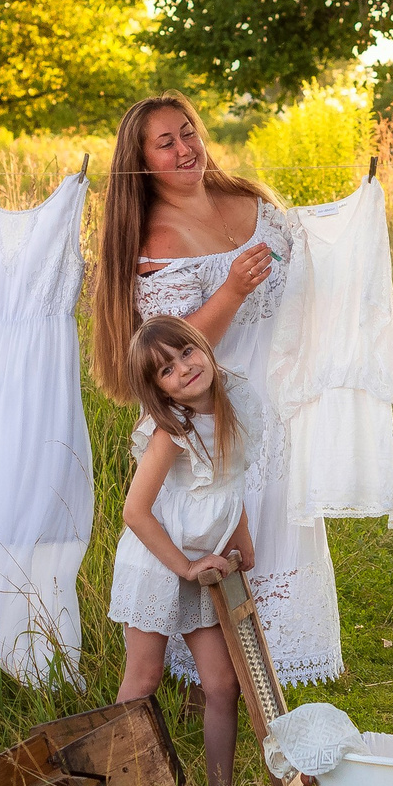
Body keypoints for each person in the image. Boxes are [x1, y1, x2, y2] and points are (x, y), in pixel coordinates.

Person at [92, 93, 343, 688]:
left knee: (278, 541)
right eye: (166, 143)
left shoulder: (250, 200)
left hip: (274, 406)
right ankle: (212, 688)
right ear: (142, 161)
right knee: (225, 541)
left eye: (189, 133)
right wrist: (230, 290)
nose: (184, 150)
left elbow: (306, 278)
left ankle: (275, 686)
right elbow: (166, 350)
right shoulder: (152, 239)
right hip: (211, 421)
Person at [107, 317, 252, 786]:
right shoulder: (173, 431)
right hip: (156, 564)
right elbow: (135, 511)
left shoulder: (235, 404)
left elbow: (229, 482)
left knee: (222, 684)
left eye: (187, 353)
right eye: (167, 370)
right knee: (144, 677)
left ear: (204, 347)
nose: (185, 369)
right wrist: (184, 568)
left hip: (201, 566)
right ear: (160, 391)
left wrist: (242, 539)